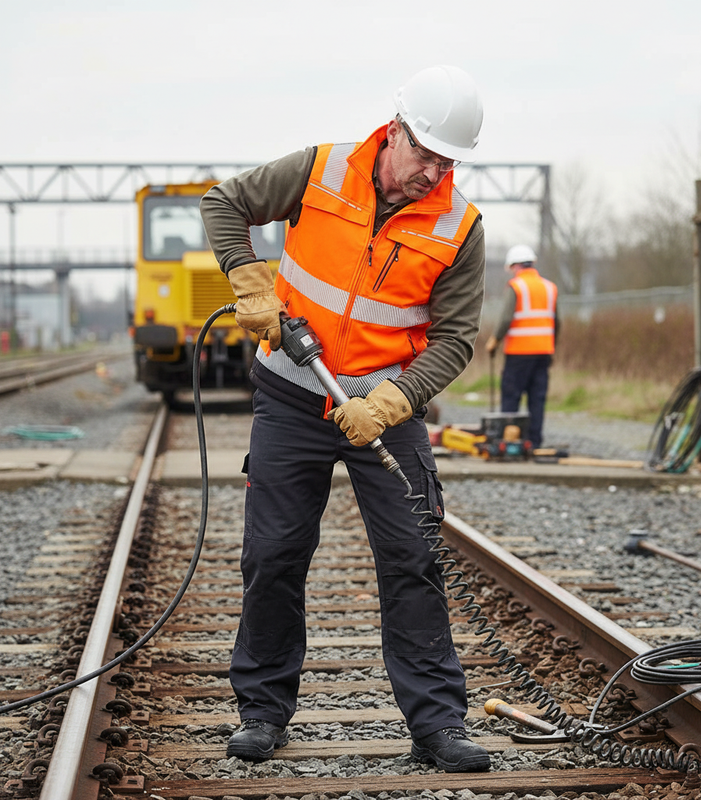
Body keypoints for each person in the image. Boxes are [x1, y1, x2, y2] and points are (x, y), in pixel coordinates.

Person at [199, 65, 491, 773]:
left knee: (413, 555)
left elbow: (455, 339)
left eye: (447, 161)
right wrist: (249, 280)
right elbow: (223, 202)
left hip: (385, 407)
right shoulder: (320, 170)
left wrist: (394, 400)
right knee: (273, 554)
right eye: (424, 154)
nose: (432, 172)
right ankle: (263, 711)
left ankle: (437, 725)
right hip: (292, 394)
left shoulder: (460, 226)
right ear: (395, 131)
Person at [485, 244, 558, 450]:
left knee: (511, 396)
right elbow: (556, 322)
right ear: (532, 264)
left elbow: (507, 317)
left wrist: (494, 341)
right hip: (543, 351)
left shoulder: (516, 286)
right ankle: (534, 442)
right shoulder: (549, 287)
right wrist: (552, 347)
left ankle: (510, 442)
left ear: (515, 266)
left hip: (519, 352)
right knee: (537, 398)